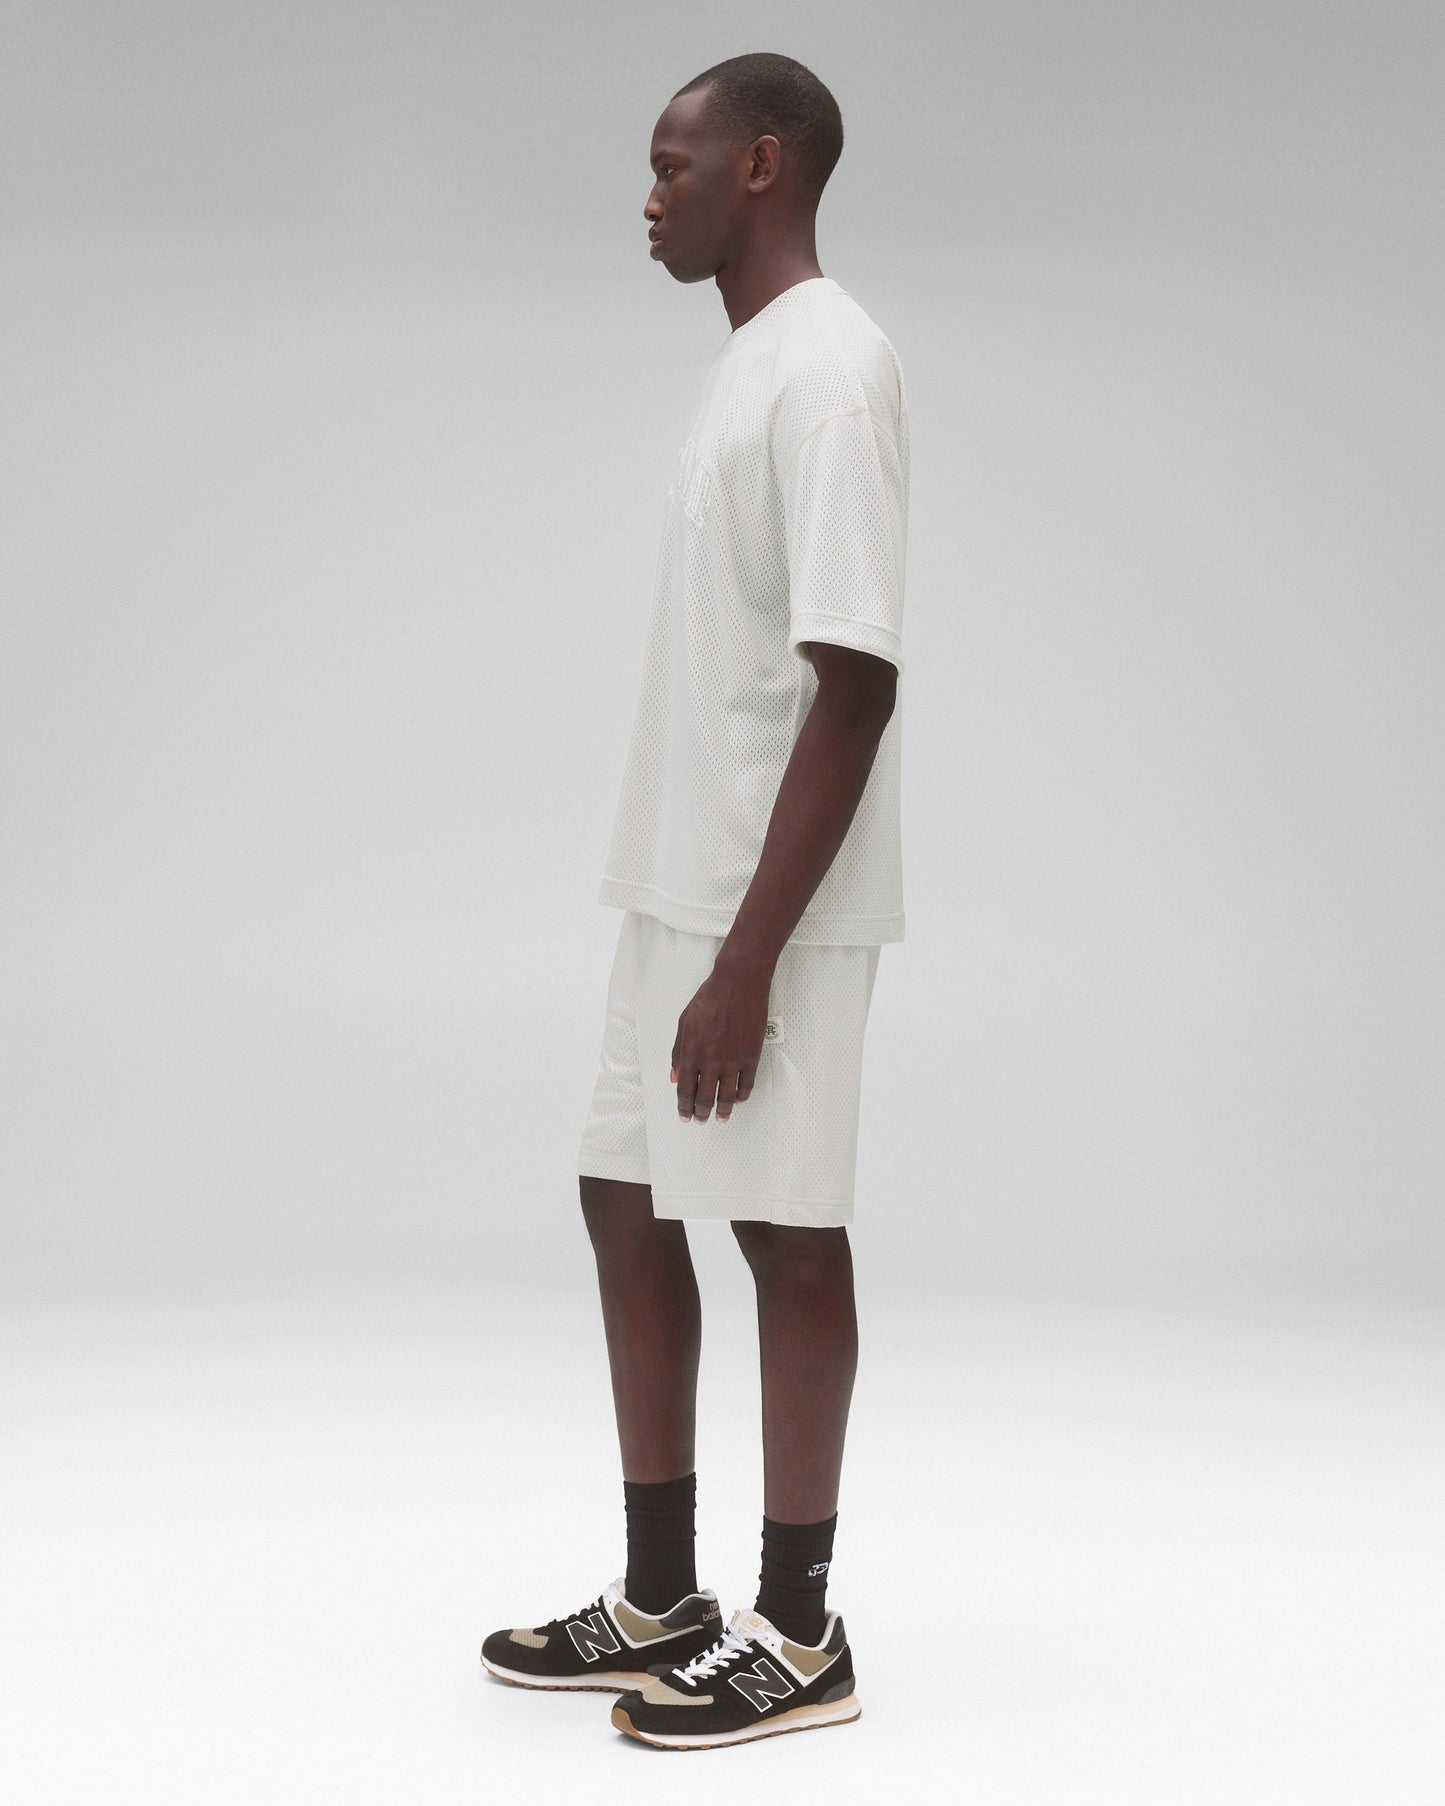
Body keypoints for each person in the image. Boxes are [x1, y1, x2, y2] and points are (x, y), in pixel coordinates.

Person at [481, 50, 910, 1752]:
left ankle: (799, 1631)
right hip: (676, 878)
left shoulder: (834, 371)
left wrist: (745, 963)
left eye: (674, 162)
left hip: (764, 909)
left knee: (784, 1231)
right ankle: (663, 1594)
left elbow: (854, 683)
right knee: (621, 1194)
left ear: (765, 164)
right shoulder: (749, 365)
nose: (649, 195)